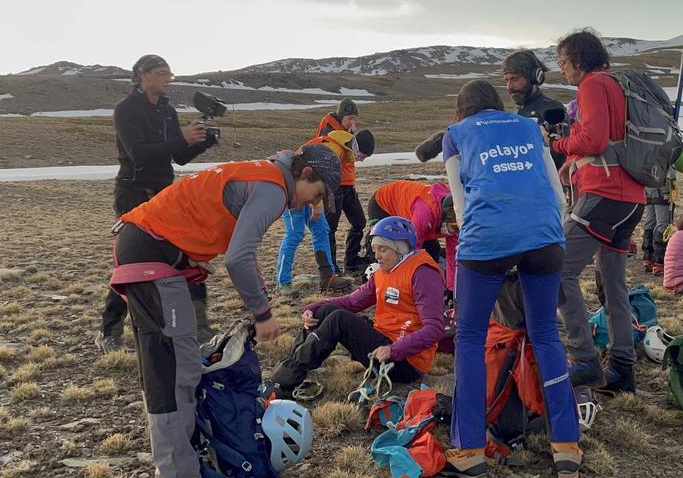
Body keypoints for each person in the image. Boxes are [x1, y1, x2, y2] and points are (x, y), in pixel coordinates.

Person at [108, 145, 341, 478]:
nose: (312, 204)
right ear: (305, 174)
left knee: (180, 363)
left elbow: (242, 250)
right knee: (173, 373)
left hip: (148, 248)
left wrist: (261, 296)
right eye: (317, 195)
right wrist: (262, 314)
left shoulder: (264, 174)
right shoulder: (273, 188)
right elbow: (237, 259)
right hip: (153, 254)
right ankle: (177, 470)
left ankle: (183, 459)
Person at [441, 79, 580, 477]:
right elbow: (558, 194)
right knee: (546, 334)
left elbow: (461, 202)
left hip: (487, 238)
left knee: (468, 337)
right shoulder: (527, 126)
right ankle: (566, 446)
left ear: (461, 109)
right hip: (545, 236)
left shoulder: (456, 135)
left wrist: (488, 247)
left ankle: (469, 451)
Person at [97, 54, 217, 354]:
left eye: (169, 74)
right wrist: (182, 139)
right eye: (162, 73)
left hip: (165, 191)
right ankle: (109, 332)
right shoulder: (126, 110)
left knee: (187, 254)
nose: (167, 79)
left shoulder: (167, 111)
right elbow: (140, 154)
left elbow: (177, 157)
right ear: (142, 76)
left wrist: (202, 141)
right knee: (132, 262)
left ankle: (199, 327)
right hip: (133, 191)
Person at [551, 30, 646, 392]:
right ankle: (623, 368)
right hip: (631, 197)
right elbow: (608, 139)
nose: (562, 70)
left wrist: (559, 144)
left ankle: (584, 358)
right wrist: (574, 160)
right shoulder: (617, 84)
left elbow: (594, 139)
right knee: (612, 283)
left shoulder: (591, 85)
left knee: (558, 268)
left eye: (562, 63)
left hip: (604, 194)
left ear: (577, 59)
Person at [268, 217, 445, 398]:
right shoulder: (384, 271)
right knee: (323, 312)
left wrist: (395, 350)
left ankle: (283, 384)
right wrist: (313, 306)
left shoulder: (423, 274)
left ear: (401, 248)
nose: (377, 256)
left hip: (405, 362)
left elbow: (434, 329)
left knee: (339, 319)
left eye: (383, 249)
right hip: (384, 343)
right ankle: (290, 367)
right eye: (375, 249)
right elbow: (351, 302)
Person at [275, 129, 373, 295]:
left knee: (322, 231)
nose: (361, 159)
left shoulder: (341, 148)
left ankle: (327, 277)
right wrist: (317, 205)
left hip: (310, 194)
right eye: (363, 154)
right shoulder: (333, 149)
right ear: (356, 147)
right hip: (295, 192)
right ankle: (283, 282)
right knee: (295, 233)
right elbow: (317, 176)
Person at [368, 180, 459, 290]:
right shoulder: (425, 214)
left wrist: (452, 289)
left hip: (417, 217)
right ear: (443, 216)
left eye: (455, 227)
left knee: (433, 252)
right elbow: (410, 251)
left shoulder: (457, 217)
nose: (452, 230)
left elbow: (453, 255)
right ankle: (380, 280)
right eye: (450, 226)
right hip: (384, 203)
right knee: (390, 250)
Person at [316, 99, 373, 273]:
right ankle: (331, 268)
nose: (352, 122)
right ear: (341, 116)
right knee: (330, 228)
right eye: (349, 117)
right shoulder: (329, 133)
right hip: (334, 186)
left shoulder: (346, 133)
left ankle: (351, 261)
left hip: (348, 184)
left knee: (359, 222)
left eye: (354, 118)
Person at [502, 49, 566, 169]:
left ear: (535, 77)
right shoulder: (516, 112)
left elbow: (560, 157)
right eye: (507, 80)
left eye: (515, 79)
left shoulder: (553, 110)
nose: (509, 87)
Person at [640, 184, 673, 276]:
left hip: (648, 186)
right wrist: (667, 191)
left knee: (651, 221)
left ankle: (648, 258)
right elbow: (666, 171)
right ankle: (659, 262)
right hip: (660, 187)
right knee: (663, 224)